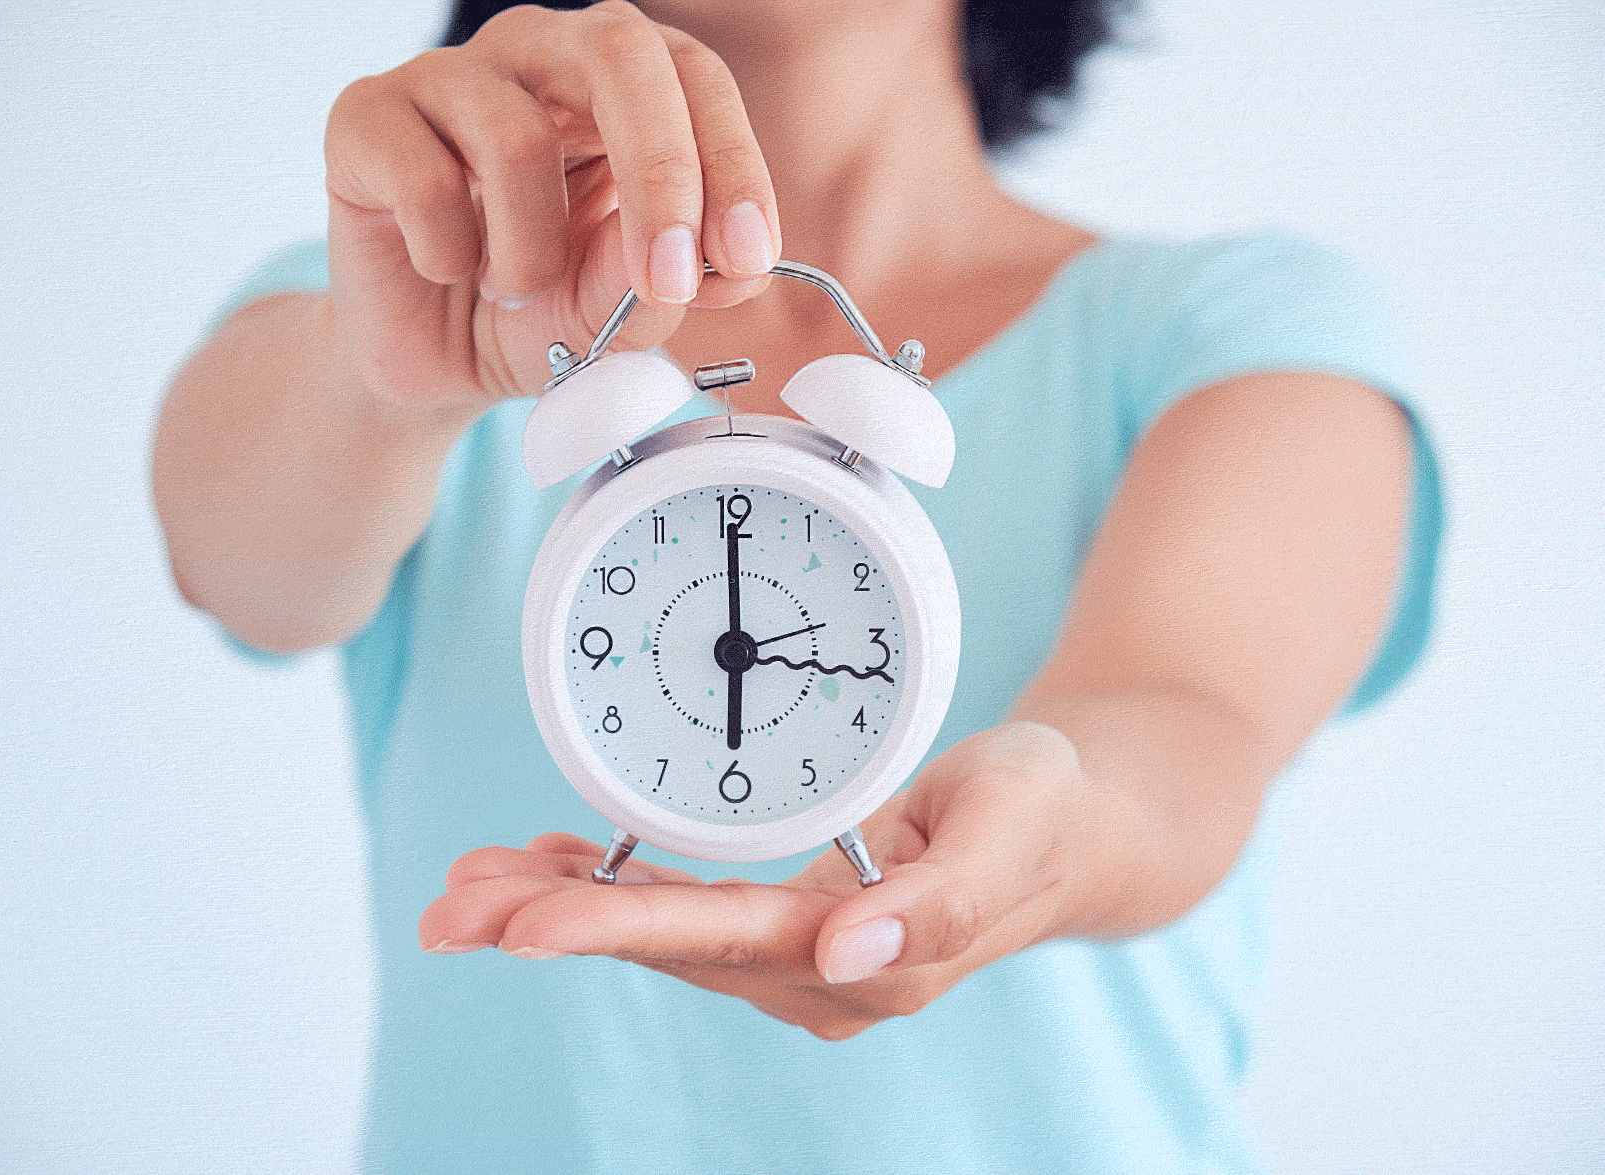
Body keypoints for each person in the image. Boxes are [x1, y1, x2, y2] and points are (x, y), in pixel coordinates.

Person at [152, 0, 1442, 1171]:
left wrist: (1047, 830)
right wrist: (400, 383)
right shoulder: (407, 288)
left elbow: (1183, 711)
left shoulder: (1240, 323)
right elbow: (241, 569)